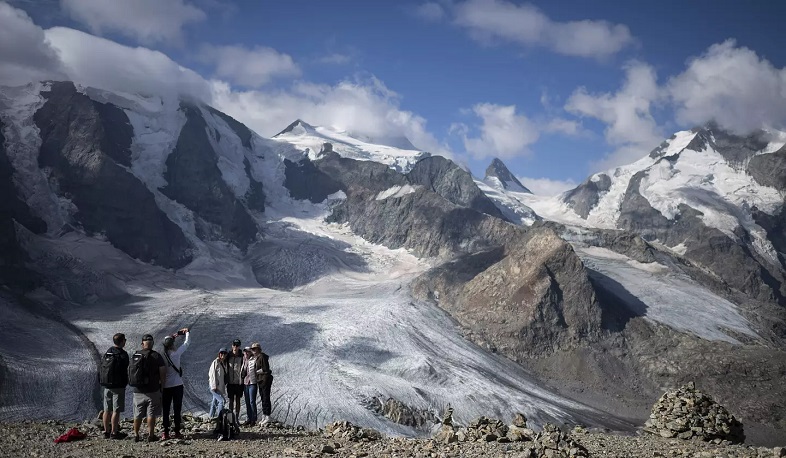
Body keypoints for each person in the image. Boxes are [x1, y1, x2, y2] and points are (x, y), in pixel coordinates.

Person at [130, 334, 166, 443]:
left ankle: (136, 435)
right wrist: (162, 387)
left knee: (138, 414)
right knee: (151, 413)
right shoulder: (156, 356)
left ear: (142, 344)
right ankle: (151, 435)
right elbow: (163, 373)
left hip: (138, 390)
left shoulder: (136, 355)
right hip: (153, 389)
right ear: (153, 343)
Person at [161, 327, 190, 440]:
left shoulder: (162, 356)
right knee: (177, 409)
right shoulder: (176, 354)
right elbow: (187, 343)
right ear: (172, 344)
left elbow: (167, 342)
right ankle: (177, 431)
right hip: (177, 385)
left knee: (166, 410)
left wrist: (174, 336)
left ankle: (165, 432)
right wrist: (186, 333)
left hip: (166, 386)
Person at [99, 332, 129, 440]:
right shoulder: (123, 354)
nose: (125, 342)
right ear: (121, 342)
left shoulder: (108, 352)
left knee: (106, 409)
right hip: (118, 386)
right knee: (116, 410)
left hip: (107, 385)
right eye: (124, 340)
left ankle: (106, 431)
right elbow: (126, 368)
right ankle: (114, 432)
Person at [251, 342, 273, 425]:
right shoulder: (258, 357)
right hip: (261, 381)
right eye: (252, 349)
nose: (253, 351)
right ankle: (265, 415)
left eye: (255, 349)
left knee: (265, 397)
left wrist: (257, 372)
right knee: (263, 397)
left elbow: (265, 369)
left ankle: (267, 415)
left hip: (264, 380)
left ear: (258, 349)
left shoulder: (262, 357)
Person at [225, 339, 244, 422]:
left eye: (237, 345)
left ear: (239, 346)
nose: (235, 347)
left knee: (238, 400)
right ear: (232, 345)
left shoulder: (242, 356)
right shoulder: (228, 355)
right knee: (231, 400)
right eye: (234, 345)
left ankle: (236, 418)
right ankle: (230, 418)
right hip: (230, 382)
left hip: (238, 382)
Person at [208, 348, 228, 418]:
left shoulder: (223, 363)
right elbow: (212, 374)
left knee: (214, 402)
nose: (223, 354)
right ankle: (220, 418)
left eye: (224, 353)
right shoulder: (216, 362)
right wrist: (213, 386)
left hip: (219, 387)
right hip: (214, 386)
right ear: (219, 354)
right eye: (221, 353)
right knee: (222, 401)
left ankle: (210, 417)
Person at [241, 346, 257, 426]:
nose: (246, 353)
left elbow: (257, 370)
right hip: (245, 383)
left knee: (252, 401)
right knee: (247, 402)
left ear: (250, 352)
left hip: (252, 383)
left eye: (247, 351)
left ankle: (253, 419)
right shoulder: (243, 360)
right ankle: (248, 418)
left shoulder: (254, 360)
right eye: (245, 352)